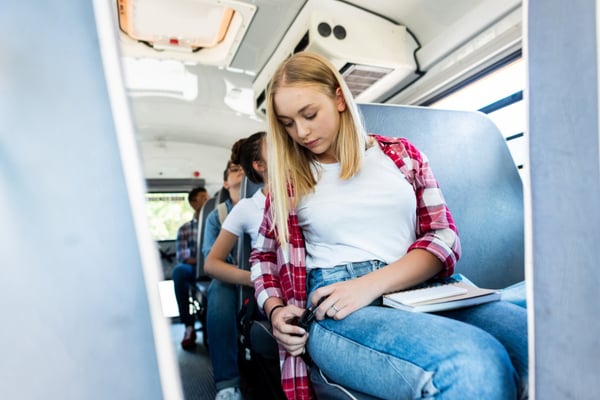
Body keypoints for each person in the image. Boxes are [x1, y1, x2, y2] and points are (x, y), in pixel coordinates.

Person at [250, 51, 528, 400]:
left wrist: (372, 284)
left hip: (423, 288)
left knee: (542, 343)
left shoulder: (402, 155)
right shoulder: (288, 181)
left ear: (338, 98)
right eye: (288, 123)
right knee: (472, 363)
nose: (301, 132)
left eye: (309, 115)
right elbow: (262, 258)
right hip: (339, 306)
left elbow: (442, 237)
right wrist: (275, 310)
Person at [204, 131, 268, 400]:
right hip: (241, 279)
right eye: (234, 170)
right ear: (226, 181)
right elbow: (212, 260)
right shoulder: (220, 216)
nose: (239, 173)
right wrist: (255, 278)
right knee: (220, 289)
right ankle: (227, 384)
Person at [171, 186, 209, 350]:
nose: (208, 200)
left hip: (213, 267)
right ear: (193, 203)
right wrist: (203, 261)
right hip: (193, 269)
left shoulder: (214, 223)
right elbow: (184, 257)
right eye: (203, 198)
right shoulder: (185, 229)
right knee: (179, 271)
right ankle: (188, 326)